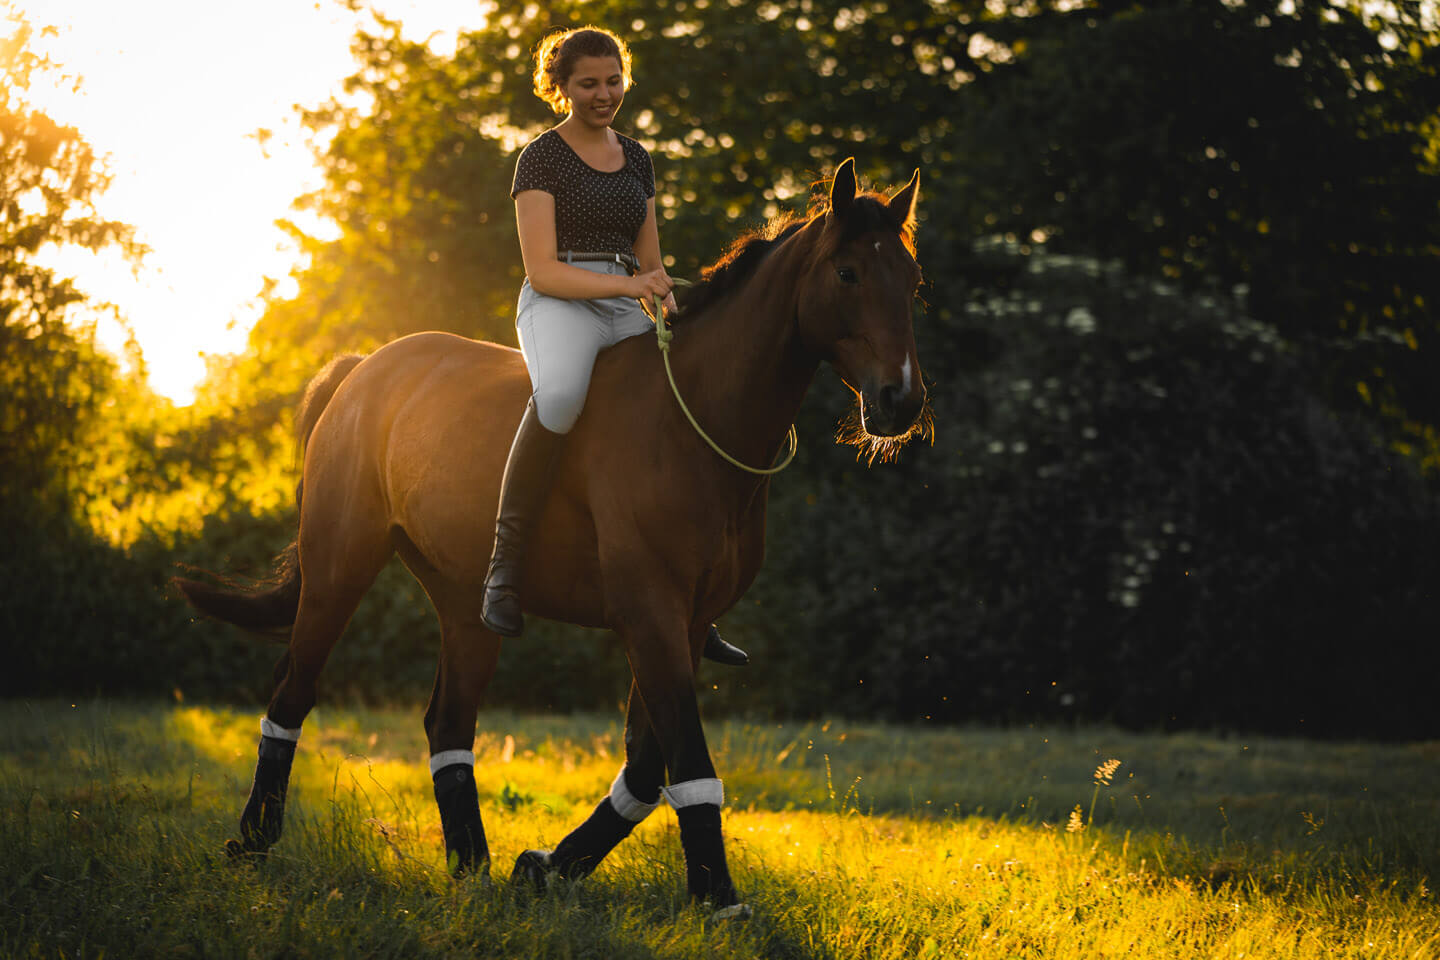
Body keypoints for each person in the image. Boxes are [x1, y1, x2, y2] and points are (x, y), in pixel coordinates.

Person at [480, 26, 747, 667]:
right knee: (561, 397)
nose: (604, 95)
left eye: (613, 81)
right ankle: (504, 567)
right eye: (588, 84)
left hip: (627, 302)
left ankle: (697, 597)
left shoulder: (637, 157)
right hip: (559, 304)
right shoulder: (540, 158)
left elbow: (650, 259)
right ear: (561, 87)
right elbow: (543, 270)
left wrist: (662, 296)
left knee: (685, 395)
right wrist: (630, 285)